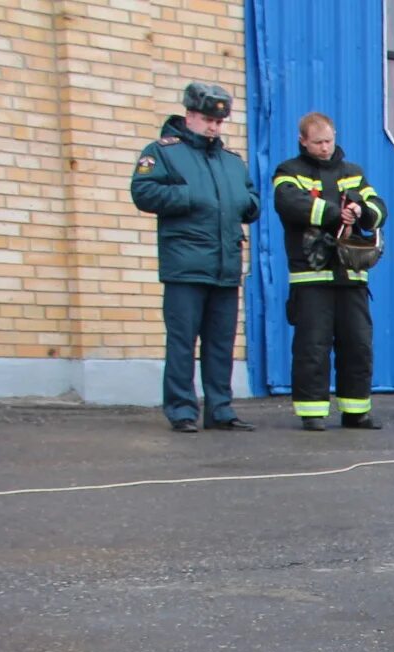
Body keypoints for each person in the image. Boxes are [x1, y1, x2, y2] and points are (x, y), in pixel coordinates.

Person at [129, 81, 260, 434]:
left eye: (219, 122)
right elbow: (142, 191)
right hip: (185, 265)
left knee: (220, 344)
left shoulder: (231, 161)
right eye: (207, 120)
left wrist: (245, 204)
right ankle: (182, 409)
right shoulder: (164, 152)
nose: (214, 127)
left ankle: (220, 408)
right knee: (183, 342)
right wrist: (188, 196)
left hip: (225, 265)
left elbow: (251, 200)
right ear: (189, 116)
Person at [271, 113, 388, 431]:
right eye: (318, 142)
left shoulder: (353, 173)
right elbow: (290, 204)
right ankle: (312, 413)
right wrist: (339, 212)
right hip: (311, 277)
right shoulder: (289, 172)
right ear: (303, 141)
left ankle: (356, 411)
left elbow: (378, 207)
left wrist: (362, 211)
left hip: (351, 277)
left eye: (329, 141)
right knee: (312, 347)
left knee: (358, 345)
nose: (324, 148)